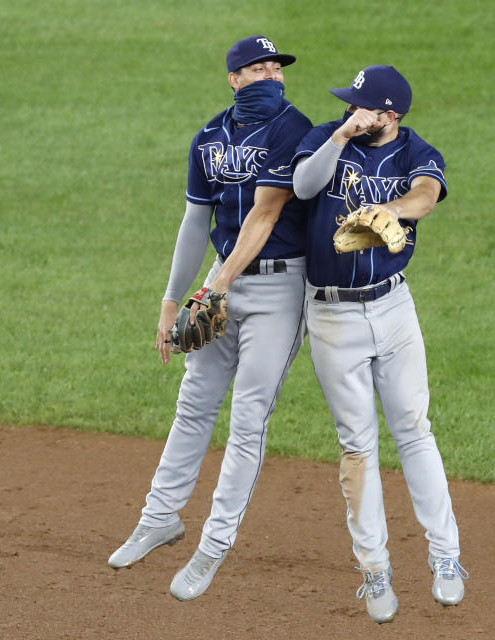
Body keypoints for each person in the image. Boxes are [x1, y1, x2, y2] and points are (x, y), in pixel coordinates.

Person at [107, 35, 311, 602]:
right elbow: (197, 220)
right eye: (258, 67)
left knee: (248, 417)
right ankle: (160, 517)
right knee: (194, 400)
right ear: (233, 78)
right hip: (219, 282)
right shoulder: (210, 138)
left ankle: (213, 545)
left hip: (277, 289)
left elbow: (266, 215)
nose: (272, 74)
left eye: (277, 67)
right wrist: (174, 297)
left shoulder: (296, 130)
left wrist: (213, 289)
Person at [291, 65, 469, 624]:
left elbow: (427, 194)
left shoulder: (415, 150)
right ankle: (374, 568)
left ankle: (446, 558)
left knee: (415, 431)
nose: (353, 112)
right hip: (331, 316)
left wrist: (388, 210)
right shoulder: (327, 137)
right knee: (357, 445)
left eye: (363, 108)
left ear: (390, 114)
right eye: (351, 106)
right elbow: (302, 186)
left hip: (393, 308)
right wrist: (341, 133)